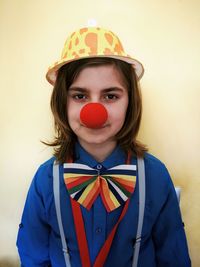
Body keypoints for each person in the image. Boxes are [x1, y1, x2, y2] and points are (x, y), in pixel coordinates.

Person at [16, 27, 191, 267]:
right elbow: (33, 256)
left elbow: (174, 258)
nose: (94, 113)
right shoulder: (45, 179)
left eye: (110, 96)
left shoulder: (156, 176)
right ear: (61, 102)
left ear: (130, 102)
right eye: (80, 96)